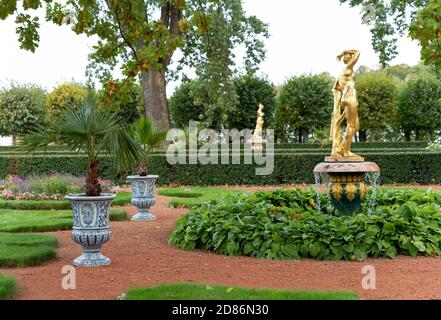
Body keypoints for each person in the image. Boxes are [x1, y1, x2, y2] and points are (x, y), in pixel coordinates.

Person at [330, 50, 362, 159]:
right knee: (351, 126)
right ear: (348, 59)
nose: (352, 56)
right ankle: (347, 152)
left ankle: (341, 148)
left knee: (356, 126)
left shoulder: (341, 75)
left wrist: (337, 105)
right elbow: (358, 52)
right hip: (350, 98)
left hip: (346, 99)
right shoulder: (348, 67)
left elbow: (335, 89)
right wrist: (344, 51)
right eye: (350, 56)